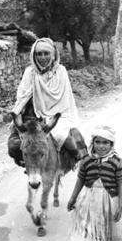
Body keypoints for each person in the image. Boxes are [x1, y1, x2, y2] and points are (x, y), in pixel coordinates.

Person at [67, 125, 122, 241]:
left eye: (106, 143)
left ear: (112, 145)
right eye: (98, 142)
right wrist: (72, 198)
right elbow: (81, 180)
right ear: (93, 143)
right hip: (89, 201)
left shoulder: (118, 162)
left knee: (104, 232)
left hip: (109, 201)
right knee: (88, 235)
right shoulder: (87, 161)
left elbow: (121, 184)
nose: (101, 146)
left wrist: (120, 206)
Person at [8, 37, 86, 167]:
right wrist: (18, 116)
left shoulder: (61, 71)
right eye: (39, 54)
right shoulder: (29, 72)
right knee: (14, 146)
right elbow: (22, 97)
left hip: (57, 114)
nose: (42, 57)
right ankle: (28, 163)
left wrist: (49, 117)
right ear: (34, 55)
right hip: (32, 116)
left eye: (46, 53)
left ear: (53, 54)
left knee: (62, 137)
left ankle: (75, 159)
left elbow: (62, 99)